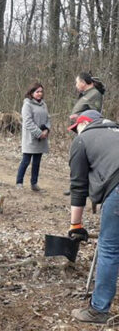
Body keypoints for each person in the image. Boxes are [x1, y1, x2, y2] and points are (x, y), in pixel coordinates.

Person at [67, 110, 119, 324]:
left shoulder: (83, 139)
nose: (75, 133)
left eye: (75, 129)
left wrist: (75, 225)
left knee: (109, 248)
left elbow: (78, 187)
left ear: (84, 123)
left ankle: (98, 310)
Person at [64, 72, 106, 196]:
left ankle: (82, 187)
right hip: (80, 130)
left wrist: (79, 116)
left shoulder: (95, 94)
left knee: (83, 160)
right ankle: (75, 186)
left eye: (77, 82)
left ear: (83, 82)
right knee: (77, 159)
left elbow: (95, 115)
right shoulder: (86, 94)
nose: (76, 85)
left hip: (87, 133)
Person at [16, 82, 50, 191]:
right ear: (32, 93)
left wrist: (46, 130)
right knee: (26, 161)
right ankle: (19, 182)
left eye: (41, 91)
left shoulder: (44, 104)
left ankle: (34, 183)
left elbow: (48, 119)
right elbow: (28, 122)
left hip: (42, 139)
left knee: (37, 162)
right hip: (30, 138)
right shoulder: (27, 105)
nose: (40, 94)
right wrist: (39, 133)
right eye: (37, 91)